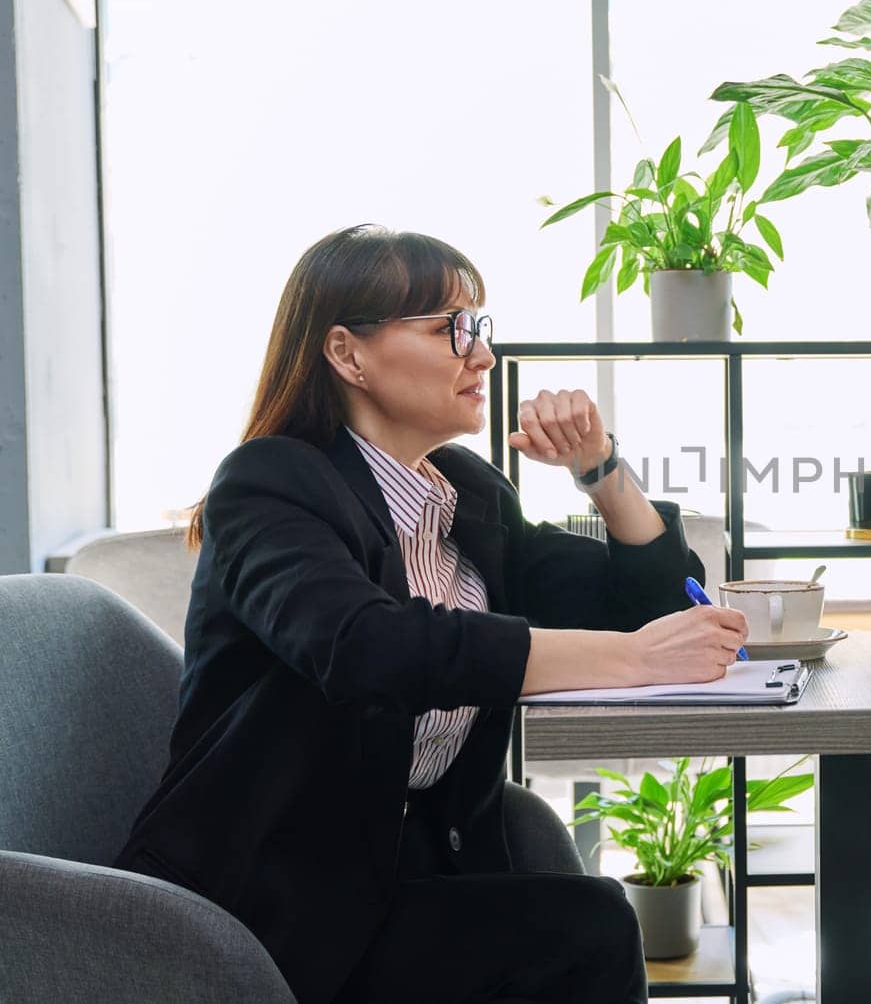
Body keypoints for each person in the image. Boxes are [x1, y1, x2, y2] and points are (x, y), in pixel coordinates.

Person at [114, 225, 747, 1003]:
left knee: (583, 924)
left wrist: (601, 470)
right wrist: (640, 658)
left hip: (411, 875)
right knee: (592, 927)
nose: (481, 354)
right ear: (347, 354)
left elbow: (649, 607)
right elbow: (368, 647)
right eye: (452, 328)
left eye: (479, 326)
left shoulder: (465, 495)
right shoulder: (269, 487)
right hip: (279, 903)